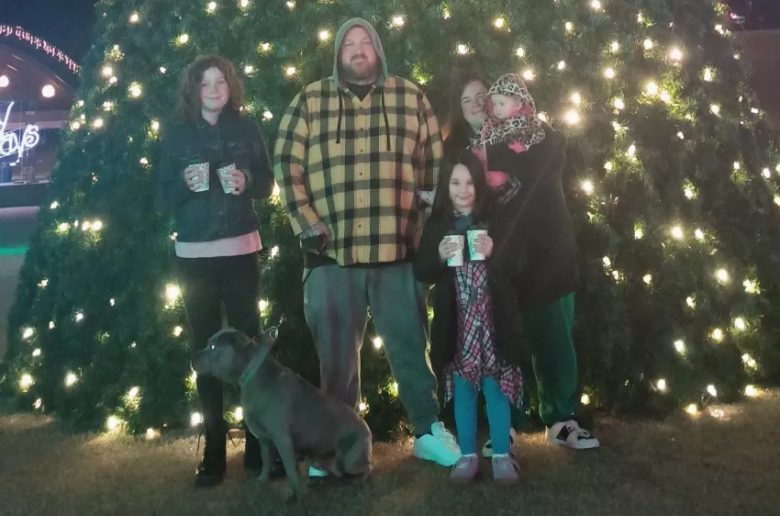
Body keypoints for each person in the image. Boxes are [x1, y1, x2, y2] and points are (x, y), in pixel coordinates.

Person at [274, 18, 461, 477]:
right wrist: (308, 224)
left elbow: (432, 167)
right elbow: (285, 164)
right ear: (338, 54)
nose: (358, 50)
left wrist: (421, 228)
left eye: (365, 43)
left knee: (410, 345)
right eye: (349, 44)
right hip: (332, 254)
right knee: (335, 359)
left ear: (378, 50)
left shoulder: (410, 97)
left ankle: (426, 431)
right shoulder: (310, 101)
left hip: (397, 251)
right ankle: (337, 447)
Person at [445, 72, 600, 454]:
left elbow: (540, 167)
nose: (479, 105)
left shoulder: (542, 137)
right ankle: (506, 425)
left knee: (554, 340)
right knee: (503, 345)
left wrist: (492, 154)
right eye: (468, 101)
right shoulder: (461, 153)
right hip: (497, 260)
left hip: (548, 255)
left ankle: (561, 417)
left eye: (483, 97)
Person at [156, 55, 275, 486]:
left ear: (230, 87)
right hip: (194, 255)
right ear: (193, 90)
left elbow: (267, 183)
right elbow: (161, 196)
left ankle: (258, 442)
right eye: (205, 83)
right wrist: (184, 186)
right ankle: (214, 445)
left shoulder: (246, 129)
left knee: (250, 345)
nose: (212, 89)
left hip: (241, 248)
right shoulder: (176, 136)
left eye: (219, 82)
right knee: (204, 351)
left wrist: (247, 182)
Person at [414, 151, 523, 483]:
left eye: (470, 183)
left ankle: (501, 455)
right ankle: (467, 456)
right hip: (458, 323)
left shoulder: (496, 219)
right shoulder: (438, 224)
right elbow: (422, 270)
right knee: (463, 389)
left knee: (495, 387)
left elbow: (518, 263)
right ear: (446, 186)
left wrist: (494, 251)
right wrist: (438, 255)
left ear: (479, 185)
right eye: (455, 183)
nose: (463, 190)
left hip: (492, 322)